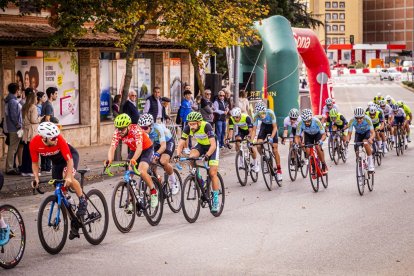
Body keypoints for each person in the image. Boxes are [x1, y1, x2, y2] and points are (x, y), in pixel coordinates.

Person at [30, 122, 86, 238]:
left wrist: (69, 176)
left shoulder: (59, 139)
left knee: (67, 178)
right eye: (53, 138)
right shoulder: (34, 144)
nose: (56, 140)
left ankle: (82, 200)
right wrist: (36, 177)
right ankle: (74, 219)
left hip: (70, 157)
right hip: (56, 163)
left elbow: (69, 160)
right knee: (59, 189)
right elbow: (35, 163)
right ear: (44, 138)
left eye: (56, 137)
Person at [106, 114, 158, 208]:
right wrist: (109, 160)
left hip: (146, 149)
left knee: (142, 171)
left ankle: (153, 191)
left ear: (128, 126)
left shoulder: (136, 130)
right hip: (134, 150)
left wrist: (133, 159)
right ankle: (130, 200)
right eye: (118, 128)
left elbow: (139, 148)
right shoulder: (117, 132)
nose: (120, 131)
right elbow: (112, 147)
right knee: (128, 176)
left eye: (122, 128)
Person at [175, 112, 221, 212]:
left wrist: (207, 155)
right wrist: (178, 155)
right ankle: (200, 180)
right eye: (190, 124)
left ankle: (216, 200)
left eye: (193, 124)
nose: (191, 126)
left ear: (199, 123)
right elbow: (181, 142)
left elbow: (213, 145)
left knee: (212, 173)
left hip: (212, 147)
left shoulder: (206, 126)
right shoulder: (187, 128)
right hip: (201, 145)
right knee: (191, 157)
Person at [138, 114, 179, 195]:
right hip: (155, 144)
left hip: (167, 142)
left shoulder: (157, 129)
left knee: (163, 161)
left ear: (151, 126)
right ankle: (157, 180)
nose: (143, 130)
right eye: (141, 128)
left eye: (145, 128)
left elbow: (163, 146)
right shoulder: (142, 132)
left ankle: (174, 182)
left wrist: (157, 154)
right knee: (151, 164)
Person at [251, 102, 283, 181]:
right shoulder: (255, 116)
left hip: (272, 127)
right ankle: (264, 159)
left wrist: (271, 138)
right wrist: (251, 141)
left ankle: (279, 170)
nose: (262, 116)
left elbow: (275, 127)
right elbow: (254, 130)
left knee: (275, 149)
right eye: (260, 114)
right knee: (258, 145)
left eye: (263, 113)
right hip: (264, 127)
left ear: (265, 111)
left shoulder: (270, 113)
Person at [225, 107, 259, 172]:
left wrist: (249, 137)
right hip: (242, 131)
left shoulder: (246, 118)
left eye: (237, 117)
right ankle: (241, 162)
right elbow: (231, 130)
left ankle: (255, 164)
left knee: (250, 146)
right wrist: (228, 138)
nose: (235, 119)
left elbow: (251, 131)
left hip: (249, 131)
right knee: (237, 141)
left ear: (240, 115)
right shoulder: (231, 119)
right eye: (234, 117)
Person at [295, 109, 328, 174]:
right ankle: (313, 167)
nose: (307, 123)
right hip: (308, 135)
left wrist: (321, 140)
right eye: (305, 121)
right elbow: (297, 136)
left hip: (317, 134)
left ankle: (323, 164)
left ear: (311, 118)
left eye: (308, 121)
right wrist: (297, 144)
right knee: (307, 150)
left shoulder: (316, 121)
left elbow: (324, 134)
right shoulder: (300, 124)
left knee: (318, 147)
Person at [20, 91, 43, 176]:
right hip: (32, 132)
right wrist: (39, 119)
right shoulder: (33, 107)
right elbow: (33, 120)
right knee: (32, 151)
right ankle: (30, 170)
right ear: (34, 98)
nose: (37, 99)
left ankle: (24, 170)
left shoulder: (25, 106)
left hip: (26, 131)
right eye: (36, 97)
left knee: (26, 151)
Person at [347, 107, 375, 171]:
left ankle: (371, 164)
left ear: (363, 116)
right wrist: (347, 140)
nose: (359, 120)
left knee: (365, 142)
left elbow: (373, 132)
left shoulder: (367, 119)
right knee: (356, 148)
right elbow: (349, 134)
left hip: (366, 133)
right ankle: (359, 162)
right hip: (358, 134)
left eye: (360, 118)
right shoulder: (352, 120)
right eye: (357, 118)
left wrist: (370, 138)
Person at [4, 83, 23, 175]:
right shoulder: (12, 101)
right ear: (16, 90)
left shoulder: (11, 100)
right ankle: (9, 168)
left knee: (13, 148)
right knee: (13, 148)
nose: (19, 91)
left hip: (12, 127)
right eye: (19, 89)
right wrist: (19, 126)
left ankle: (10, 167)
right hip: (15, 128)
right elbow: (14, 116)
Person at [179, 89, 194, 154]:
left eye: (190, 95)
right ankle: (185, 148)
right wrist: (181, 119)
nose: (189, 96)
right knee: (185, 135)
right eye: (188, 95)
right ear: (185, 96)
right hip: (185, 121)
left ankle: (187, 147)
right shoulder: (184, 102)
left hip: (189, 121)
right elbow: (181, 112)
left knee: (188, 135)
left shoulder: (189, 102)